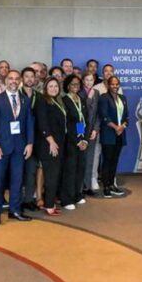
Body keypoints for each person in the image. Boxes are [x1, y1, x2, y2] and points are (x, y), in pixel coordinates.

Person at [0, 70, 35, 224]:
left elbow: (29, 123)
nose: (13, 81)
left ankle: (14, 210)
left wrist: (30, 143)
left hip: (20, 147)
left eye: (16, 79)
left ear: (20, 81)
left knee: (17, 180)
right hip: (1, 148)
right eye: (10, 79)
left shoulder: (25, 100)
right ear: (6, 80)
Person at [35, 78, 67, 216]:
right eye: (50, 86)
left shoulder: (58, 101)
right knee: (52, 176)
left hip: (58, 142)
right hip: (49, 144)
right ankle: (48, 205)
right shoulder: (42, 101)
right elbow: (43, 123)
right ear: (45, 88)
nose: (53, 88)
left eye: (56, 86)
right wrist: (51, 142)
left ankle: (50, 202)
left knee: (54, 174)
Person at [62, 75, 90, 210]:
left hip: (82, 138)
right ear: (67, 86)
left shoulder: (81, 99)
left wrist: (85, 139)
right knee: (70, 170)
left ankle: (77, 195)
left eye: (78, 84)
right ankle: (67, 199)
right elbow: (67, 123)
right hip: (70, 141)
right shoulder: (64, 100)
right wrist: (77, 140)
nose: (76, 86)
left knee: (81, 168)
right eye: (73, 84)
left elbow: (85, 119)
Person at [98, 76, 128, 198]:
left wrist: (122, 126)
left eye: (117, 84)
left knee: (114, 161)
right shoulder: (104, 98)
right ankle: (106, 186)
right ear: (108, 85)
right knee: (107, 161)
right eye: (112, 84)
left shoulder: (123, 98)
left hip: (120, 134)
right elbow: (104, 116)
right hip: (109, 134)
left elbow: (127, 115)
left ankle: (112, 185)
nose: (115, 86)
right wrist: (116, 128)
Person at [19, 67, 41, 211]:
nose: (29, 79)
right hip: (18, 138)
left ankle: (28, 199)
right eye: (26, 76)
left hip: (35, 138)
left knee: (31, 169)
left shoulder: (39, 96)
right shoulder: (16, 95)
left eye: (31, 77)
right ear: (22, 78)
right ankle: (17, 200)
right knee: (17, 170)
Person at [80, 72, 101, 196]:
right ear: (83, 81)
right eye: (86, 80)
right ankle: (79, 187)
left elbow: (98, 113)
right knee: (80, 159)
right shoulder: (79, 92)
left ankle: (87, 187)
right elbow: (82, 111)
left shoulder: (97, 93)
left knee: (90, 159)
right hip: (81, 131)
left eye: (91, 80)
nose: (89, 82)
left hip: (92, 132)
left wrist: (95, 129)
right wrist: (88, 98)